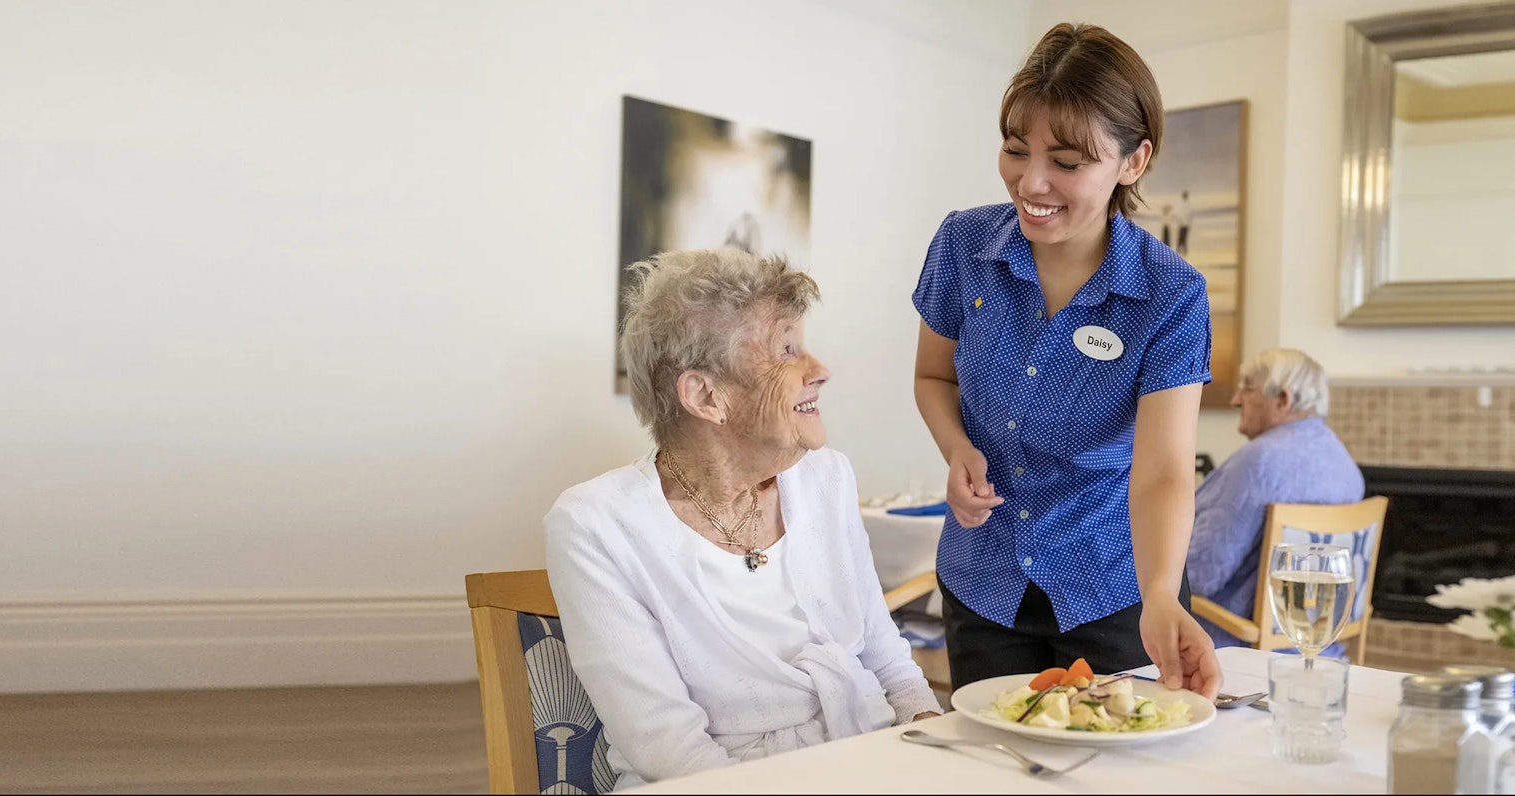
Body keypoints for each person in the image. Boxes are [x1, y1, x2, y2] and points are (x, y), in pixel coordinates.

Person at [545, 248, 940, 789]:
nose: (820, 371)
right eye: (787, 350)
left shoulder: (826, 478)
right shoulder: (595, 525)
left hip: (863, 760)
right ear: (706, 396)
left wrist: (933, 742)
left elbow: (884, 655)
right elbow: (666, 745)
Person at [911, 21, 1222, 700]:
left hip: (1113, 585)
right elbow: (932, 375)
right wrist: (957, 448)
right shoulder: (964, 246)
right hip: (984, 579)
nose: (1032, 180)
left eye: (1067, 162)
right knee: (996, 766)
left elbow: (1164, 470)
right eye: (1016, 150)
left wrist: (1162, 594)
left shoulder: (1170, 294)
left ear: (1133, 162)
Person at [1187, 349, 1365, 648]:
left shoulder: (1257, 463)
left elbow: (1201, 574)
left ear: (1283, 400)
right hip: (1321, 646)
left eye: (1247, 388)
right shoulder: (1345, 465)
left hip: (1233, 647)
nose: (1234, 400)